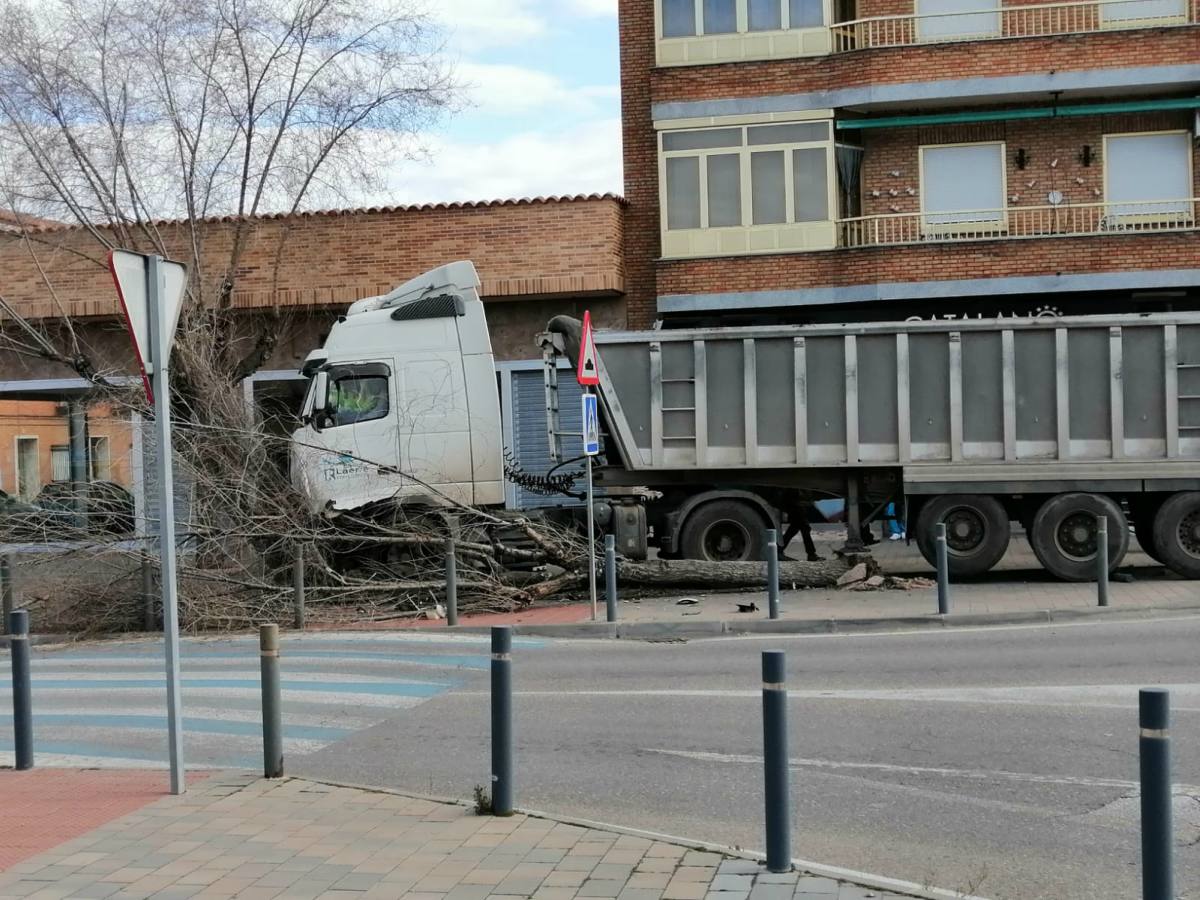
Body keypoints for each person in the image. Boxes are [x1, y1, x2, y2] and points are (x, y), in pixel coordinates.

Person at [781, 495, 824, 562]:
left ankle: (779, 549)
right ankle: (811, 554)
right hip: (796, 504)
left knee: (794, 529)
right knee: (803, 528)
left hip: (796, 504)